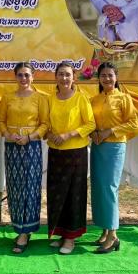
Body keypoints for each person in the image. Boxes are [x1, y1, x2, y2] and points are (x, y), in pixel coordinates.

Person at [0, 62, 49, 254]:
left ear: (33, 76)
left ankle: (27, 231)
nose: (23, 78)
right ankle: (18, 226)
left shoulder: (40, 98)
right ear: (15, 77)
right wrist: (7, 134)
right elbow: (1, 120)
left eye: (27, 75)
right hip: (11, 146)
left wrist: (29, 137)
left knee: (30, 186)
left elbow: (45, 123)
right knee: (14, 187)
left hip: (32, 146)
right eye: (20, 75)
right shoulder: (7, 97)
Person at [46, 62, 96, 255]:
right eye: (61, 74)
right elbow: (45, 123)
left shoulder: (81, 98)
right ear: (55, 77)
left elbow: (90, 124)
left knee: (74, 194)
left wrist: (68, 135)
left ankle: (70, 238)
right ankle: (60, 232)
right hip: (56, 153)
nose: (64, 78)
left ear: (73, 77)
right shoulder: (50, 99)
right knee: (57, 194)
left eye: (68, 75)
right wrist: (50, 134)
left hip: (76, 153)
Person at [90, 62, 138, 253]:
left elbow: (133, 123)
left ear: (116, 77)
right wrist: (93, 132)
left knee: (110, 188)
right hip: (97, 146)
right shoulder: (93, 99)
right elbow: (88, 121)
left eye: (110, 75)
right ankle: (104, 230)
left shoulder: (123, 98)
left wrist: (110, 131)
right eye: (103, 75)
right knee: (98, 188)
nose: (107, 79)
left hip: (115, 146)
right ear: (99, 79)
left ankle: (113, 236)